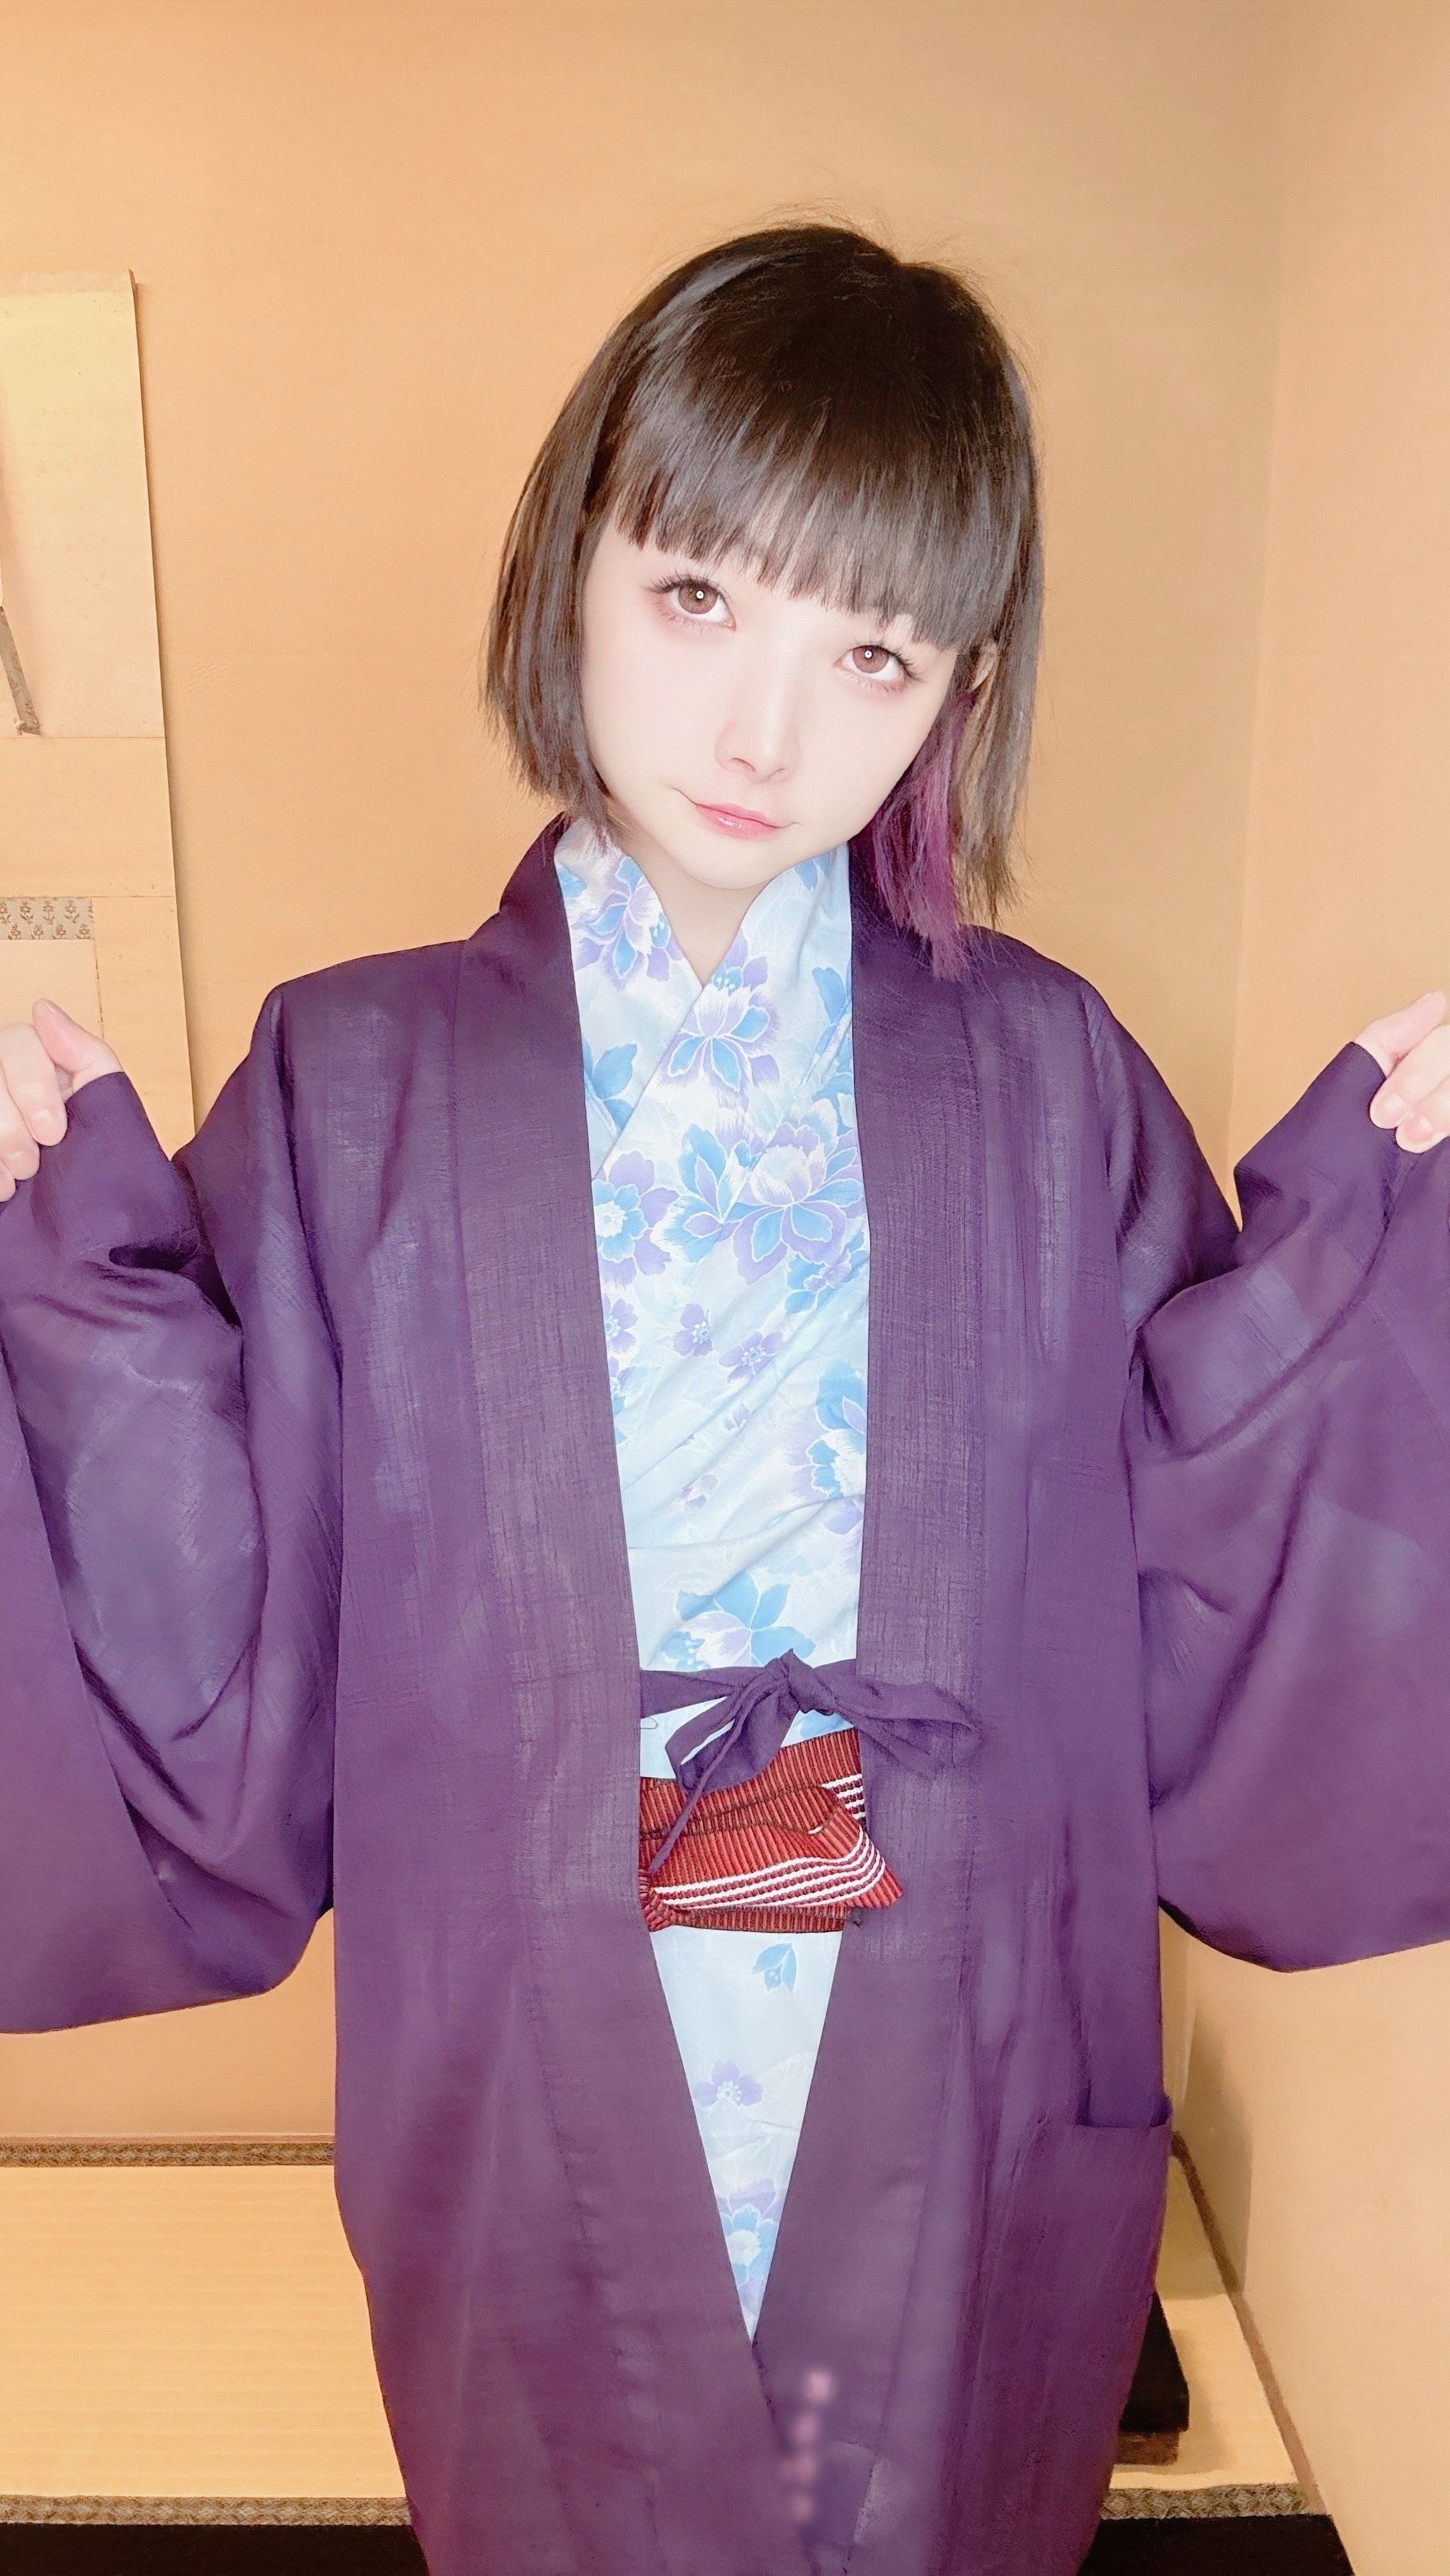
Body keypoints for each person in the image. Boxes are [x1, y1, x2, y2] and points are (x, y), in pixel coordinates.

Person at [1, 224, 1447, 2576]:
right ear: (572, 553)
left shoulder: (1048, 1071)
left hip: (951, 2043)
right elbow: (197, 1569)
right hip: (538, 2049)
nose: (768, 733)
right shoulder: (353, 1075)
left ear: (959, 684)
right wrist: (45, 1258)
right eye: (696, 598)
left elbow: (1220, 1530)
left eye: (871, 651)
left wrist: (1397, 1243)